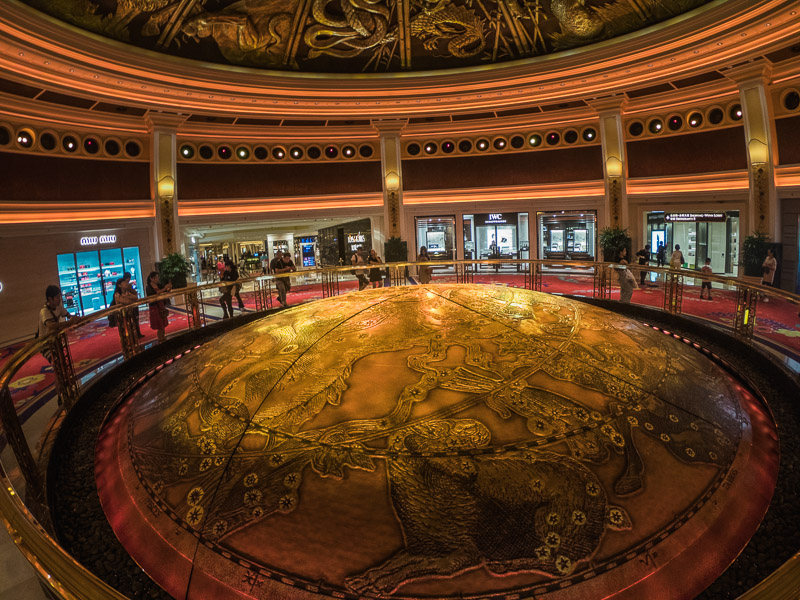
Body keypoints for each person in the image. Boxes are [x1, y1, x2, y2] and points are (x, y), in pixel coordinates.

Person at [146, 272, 172, 343]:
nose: (158, 279)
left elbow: (165, 290)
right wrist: (164, 288)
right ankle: (160, 339)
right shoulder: (148, 287)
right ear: (151, 278)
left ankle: (163, 338)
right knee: (159, 324)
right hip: (155, 307)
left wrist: (168, 288)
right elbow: (155, 294)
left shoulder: (159, 285)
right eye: (156, 277)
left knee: (162, 324)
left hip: (161, 305)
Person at [121, 272, 144, 337]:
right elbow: (134, 294)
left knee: (132, 320)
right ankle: (136, 334)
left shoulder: (126, 286)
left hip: (130, 305)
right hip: (132, 305)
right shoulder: (128, 286)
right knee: (134, 319)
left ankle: (134, 334)